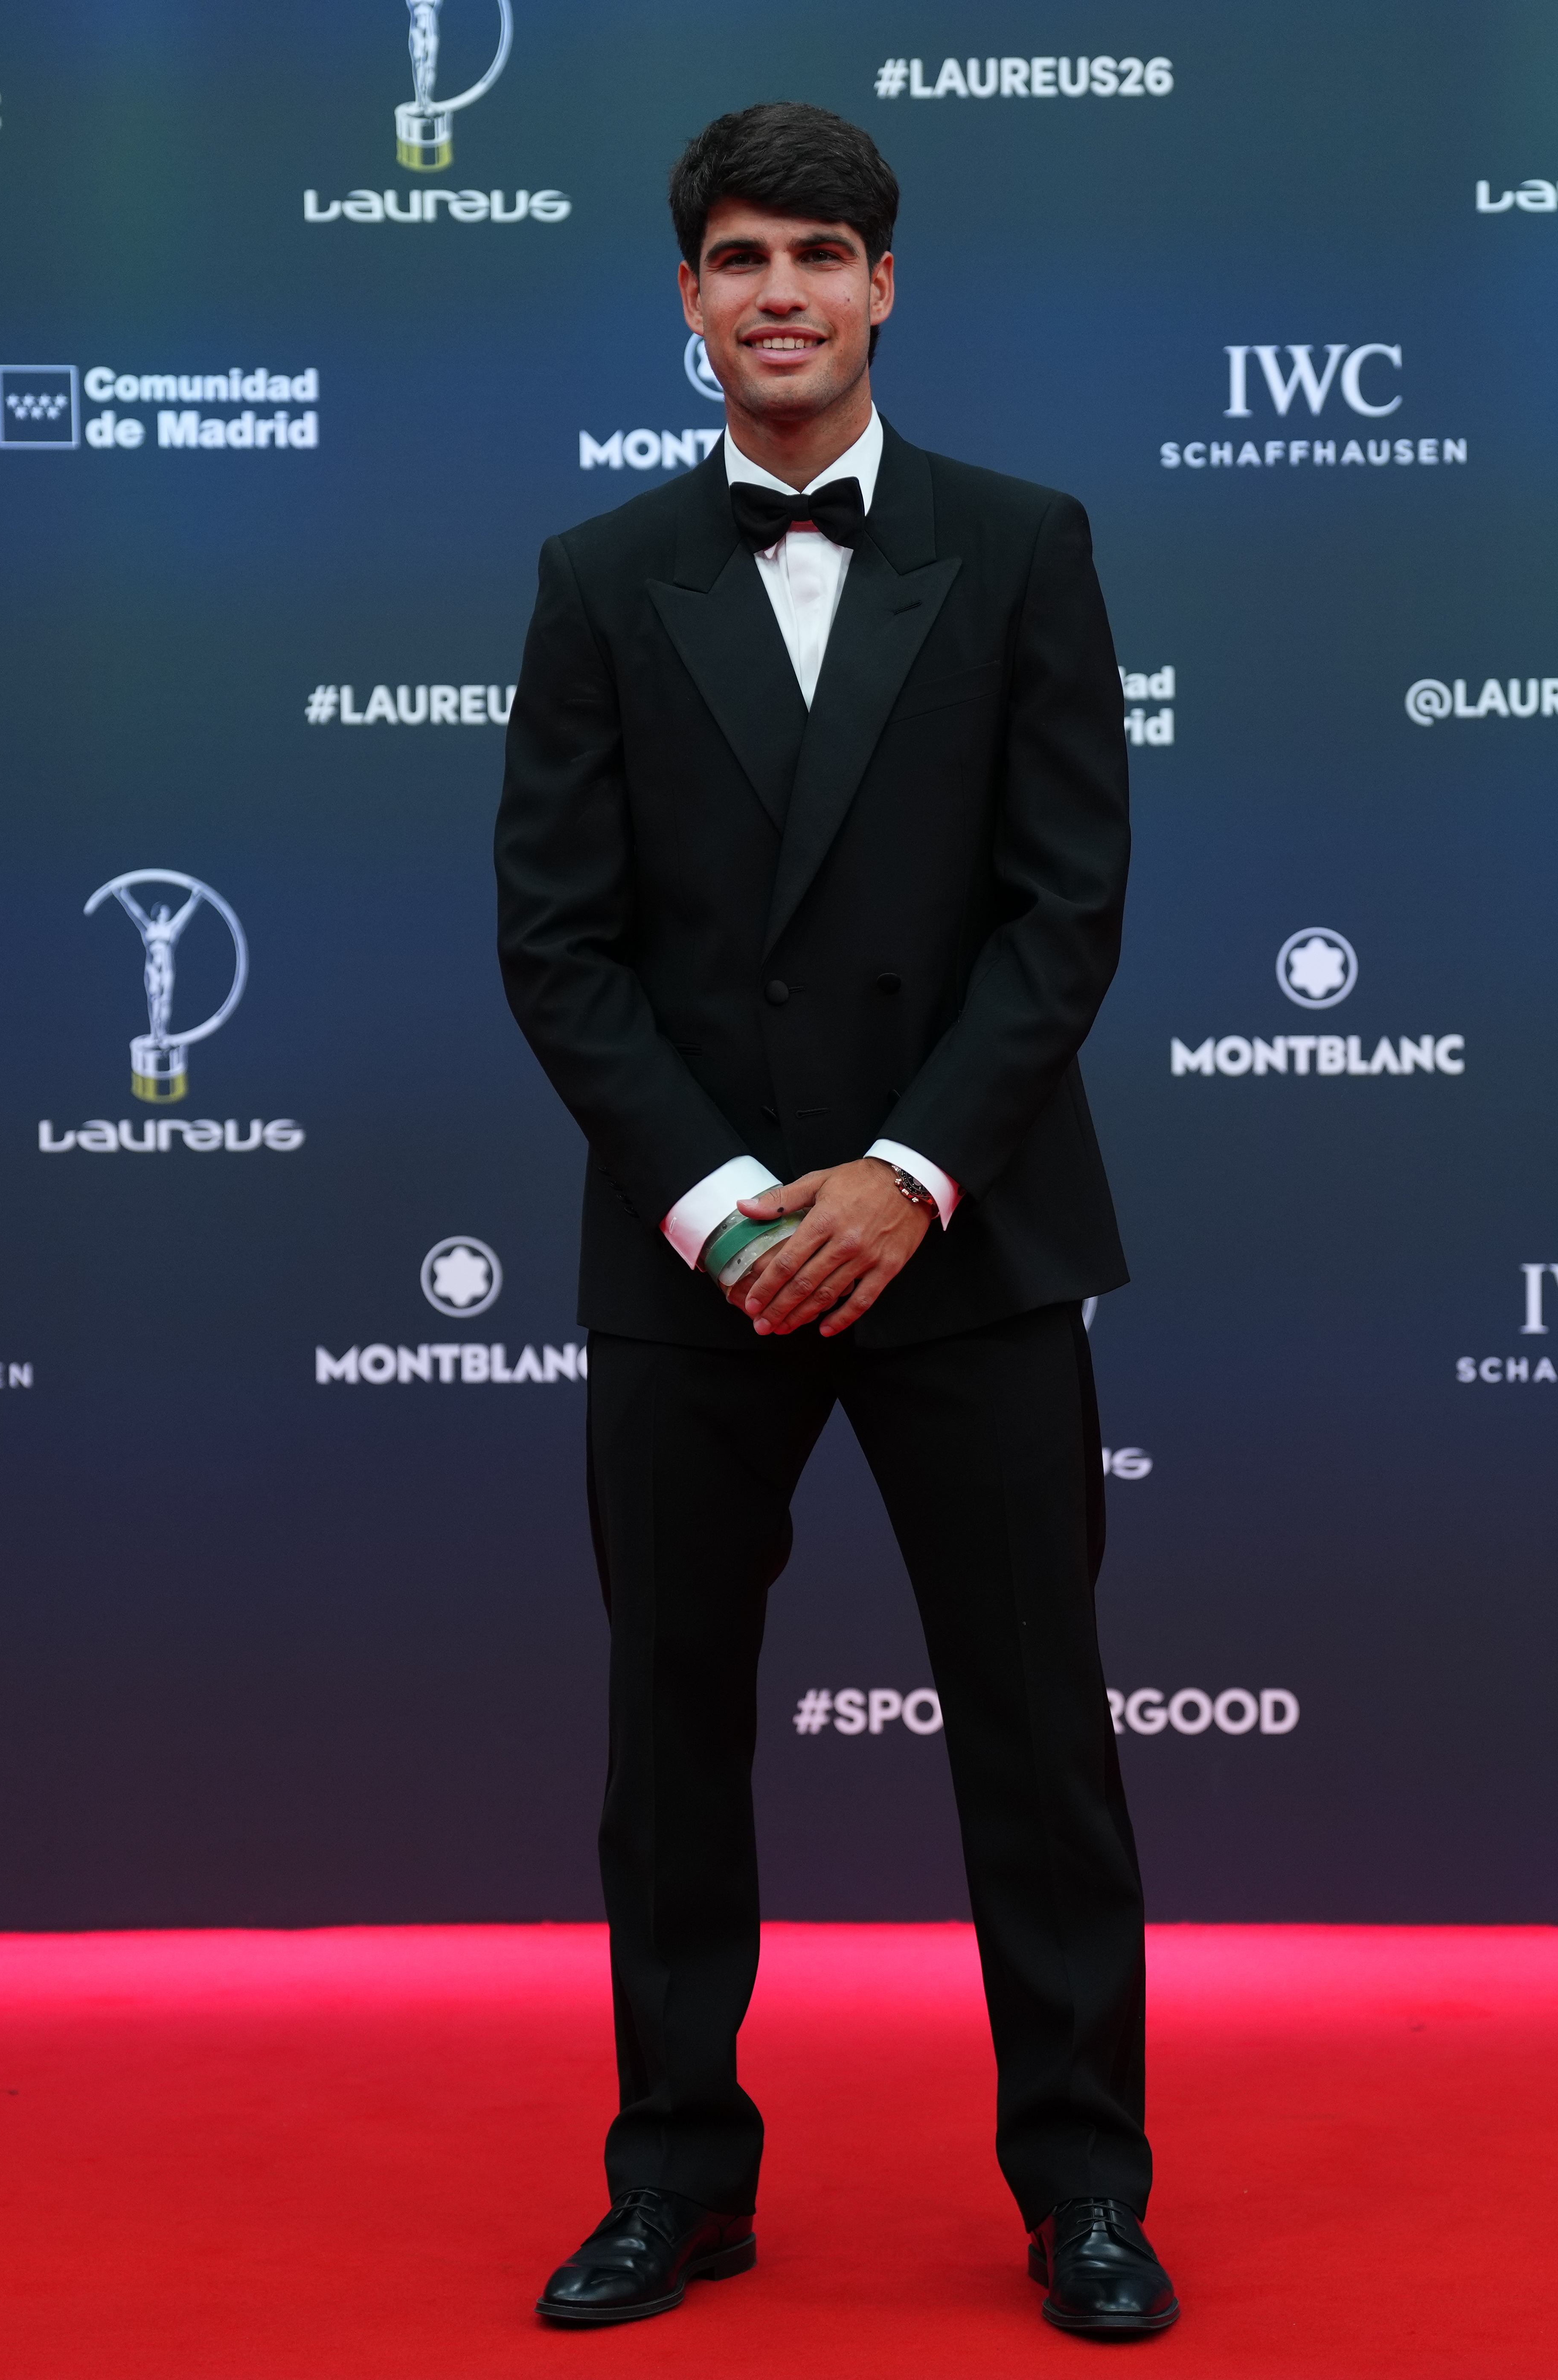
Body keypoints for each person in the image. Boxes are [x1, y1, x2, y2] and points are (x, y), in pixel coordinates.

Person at [494, 101, 1171, 2340]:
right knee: (665, 1744)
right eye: (738, 257)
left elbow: (1062, 912)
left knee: (1038, 1738)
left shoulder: (1023, 546)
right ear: (684, 301)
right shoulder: (598, 582)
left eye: (820, 253)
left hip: (962, 1240)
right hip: (693, 1262)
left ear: (886, 287)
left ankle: (1082, 2184)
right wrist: (718, 1208)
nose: (778, 290)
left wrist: (899, 1178)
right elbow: (557, 944)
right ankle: (674, 2175)